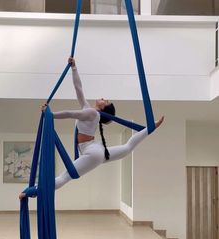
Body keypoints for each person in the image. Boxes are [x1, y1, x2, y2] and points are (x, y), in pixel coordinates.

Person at [19, 57, 164, 200]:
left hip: (92, 152)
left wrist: (50, 114)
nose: (103, 98)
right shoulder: (90, 110)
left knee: (65, 177)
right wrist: (74, 68)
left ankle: (32, 191)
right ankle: (150, 128)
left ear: (103, 107)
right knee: (127, 148)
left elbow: (70, 113)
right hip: (95, 150)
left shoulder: (92, 113)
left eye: (105, 101)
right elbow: (78, 88)